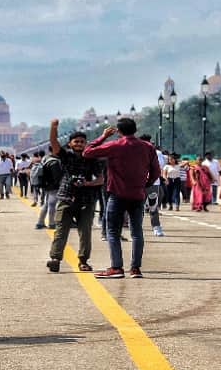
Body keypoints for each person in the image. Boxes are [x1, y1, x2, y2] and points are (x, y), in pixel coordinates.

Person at [82, 118, 160, 279]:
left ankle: (117, 267)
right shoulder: (148, 147)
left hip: (117, 194)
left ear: (118, 131)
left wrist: (103, 136)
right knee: (137, 232)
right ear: (135, 129)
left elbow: (87, 152)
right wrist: (146, 184)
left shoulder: (115, 145)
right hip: (138, 194)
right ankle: (135, 268)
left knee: (112, 231)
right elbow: (155, 171)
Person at [46, 120, 103, 273]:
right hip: (66, 198)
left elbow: (100, 178)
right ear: (70, 144)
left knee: (85, 232)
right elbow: (54, 142)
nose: (79, 144)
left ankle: (83, 261)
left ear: (86, 144)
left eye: (82, 142)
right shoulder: (66, 157)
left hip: (86, 200)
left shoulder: (92, 159)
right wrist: (53, 127)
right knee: (61, 231)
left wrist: (87, 184)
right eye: (76, 141)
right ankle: (55, 259)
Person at [36, 150, 63, 230]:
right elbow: (57, 177)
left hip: (46, 185)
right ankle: (51, 223)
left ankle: (40, 222)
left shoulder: (45, 159)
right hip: (53, 186)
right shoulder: (54, 162)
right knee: (52, 205)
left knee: (46, 204)